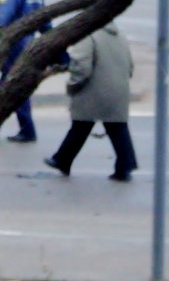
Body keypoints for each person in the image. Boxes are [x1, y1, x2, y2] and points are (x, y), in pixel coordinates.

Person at [44, 23, 137, 182]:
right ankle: (126, 165)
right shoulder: (120, 35)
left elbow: (81, 66)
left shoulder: (88, 35)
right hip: (118, 89)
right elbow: (130, 66)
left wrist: (72, 85)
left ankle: (62, 159)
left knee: (81, 124)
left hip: (93, 89)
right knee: (116, 127)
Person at [0, 0, 47, 142]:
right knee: (15, 86)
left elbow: (2, 18)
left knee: (8, 88)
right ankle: (26, 128)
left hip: (14, 46)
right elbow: (44, 19)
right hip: (29, 44)